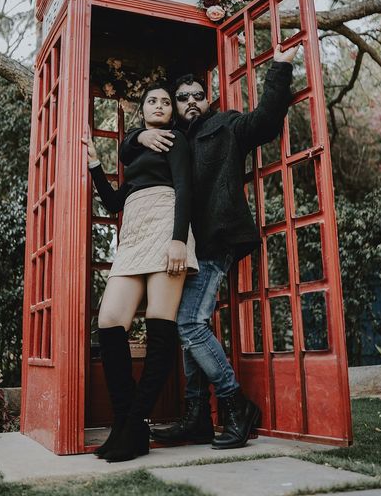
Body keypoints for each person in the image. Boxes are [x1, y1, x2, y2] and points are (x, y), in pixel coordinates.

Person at [119, 44, 299, 450]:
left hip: (216, 239)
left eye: (197, 95)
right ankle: (198, 415)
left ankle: (235, 404)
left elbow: (267, 122)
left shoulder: (227, 126)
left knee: (188, 323)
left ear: (208, 97)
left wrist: (281, 66)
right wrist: (140, 133)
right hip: (181, 247)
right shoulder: (171, 142)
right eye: (181, 98)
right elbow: (128, 156)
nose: (190, 102)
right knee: (187, 327)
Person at [82, 82, 198, 462]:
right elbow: (115, 200)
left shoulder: (176, 141)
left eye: (167, 101)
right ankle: (129, 425)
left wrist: (179, 239)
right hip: (133, 233)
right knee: (109, 321)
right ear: (143, 109)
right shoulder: (135, 151)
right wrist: (97, 165)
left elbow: (184, 187)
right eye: (153, 100)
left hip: (167, 226)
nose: (161, 105)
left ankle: (130, 429)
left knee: (160, 327)